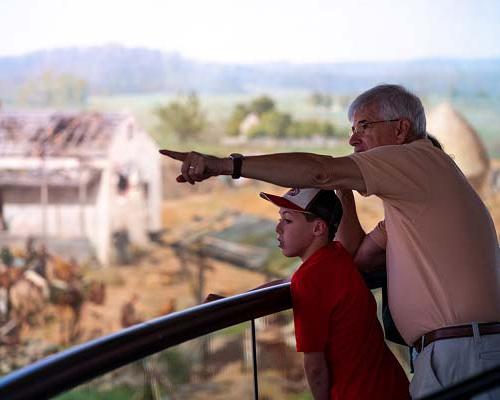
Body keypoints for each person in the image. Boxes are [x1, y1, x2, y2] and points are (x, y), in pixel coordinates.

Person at [160, 84, 500, 399]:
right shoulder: (410, 211)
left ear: (400, 129)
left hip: (462, 354)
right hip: (460, 352)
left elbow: (321, 173)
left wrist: (224, 165)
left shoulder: (417, 160)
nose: (353, 139)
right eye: (352, 129)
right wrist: (238, 303)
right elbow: (342, 267)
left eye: (364, 126)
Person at [260, 187, 409, 400]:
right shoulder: (337, 255)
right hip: (392, 386)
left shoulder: (310, 279)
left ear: (318, 228)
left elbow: (315, 368)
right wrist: (230, 301)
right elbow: (288, 281)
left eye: (288, 220)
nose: (278, 228)